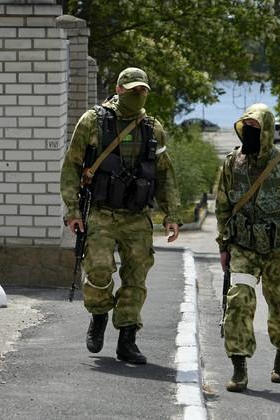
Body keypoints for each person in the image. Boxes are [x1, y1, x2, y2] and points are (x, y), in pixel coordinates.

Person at [60, 67, 181, 364]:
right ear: (119, 89)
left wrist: (172, 215)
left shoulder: (153, 128)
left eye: (142, 90)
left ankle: (127, 338)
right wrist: (72, 210)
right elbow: (72, 166)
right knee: (99, 269)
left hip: (137, 216)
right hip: (101, 213)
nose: (137, 95)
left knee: (135, 277)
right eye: (132, 90)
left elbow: (165, 174)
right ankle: (99, 316)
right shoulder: (93, 121)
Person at [215, 103, 280, 392]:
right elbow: (223, 207)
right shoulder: (231, 164)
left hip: (279, 250)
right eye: (246, 126)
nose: (249, 132)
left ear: (268, 131)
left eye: (256, 128)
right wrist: (223, 245)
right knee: (238, 302)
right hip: (244, 247)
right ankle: (239, 367)